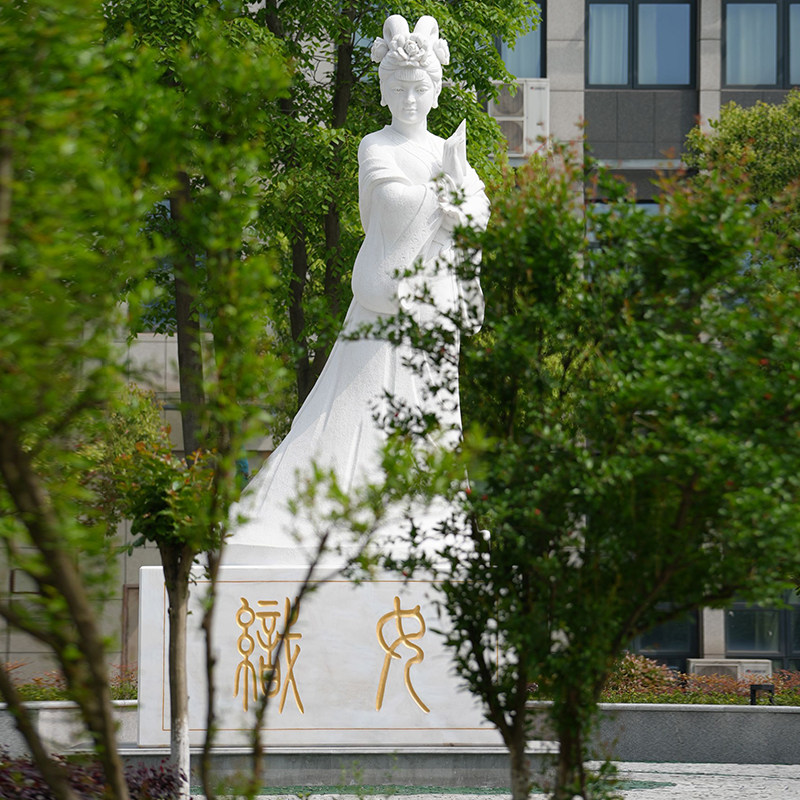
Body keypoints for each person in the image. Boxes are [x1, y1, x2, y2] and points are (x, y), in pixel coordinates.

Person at [224, 14, 490, 566]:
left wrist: (460, 202)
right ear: (384, 92)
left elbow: (477, 212)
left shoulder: (449, 152)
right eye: (399, 89)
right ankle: (326, 512)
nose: (410, 99)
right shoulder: (376, 145)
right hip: (385, 298)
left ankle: (424, 517)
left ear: (436, 91)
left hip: (433, 304)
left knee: (432, 409)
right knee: (357, 404)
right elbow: (389, 201)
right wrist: (443, 198)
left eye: (419, 89)